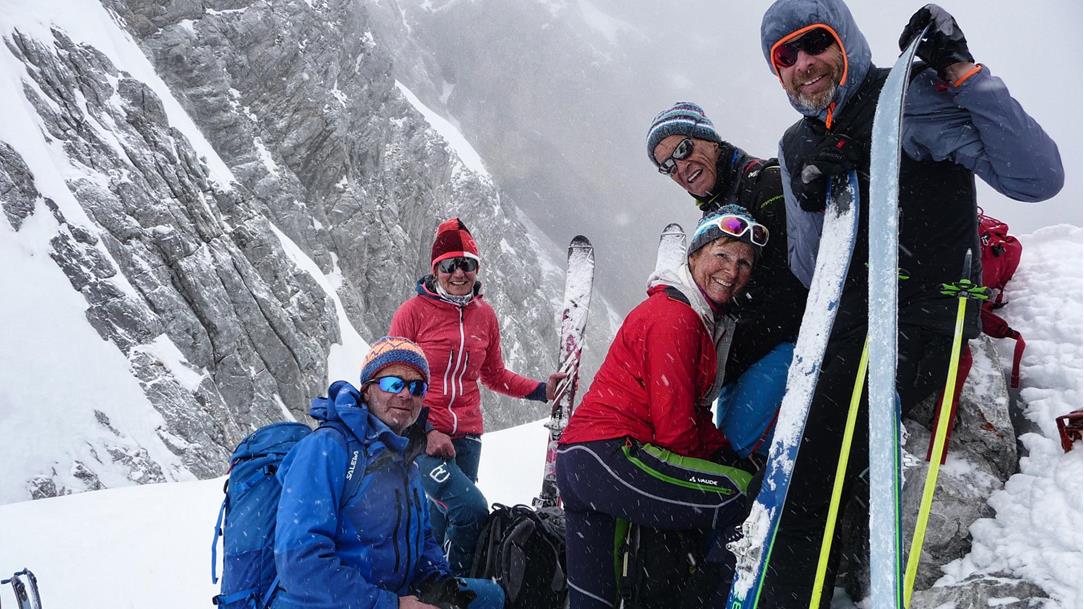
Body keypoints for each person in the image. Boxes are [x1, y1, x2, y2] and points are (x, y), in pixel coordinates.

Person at [757, 1, 1064, 606]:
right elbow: (810, 268)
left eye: (815, 43)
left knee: (809, 472)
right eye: (784, 56)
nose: (803, 64)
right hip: (848, 327)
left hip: (921, 317)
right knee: (788, 455)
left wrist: (962, 72)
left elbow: (1037, 178)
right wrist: (820, 197)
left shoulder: (907, 99)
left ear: (844, 41)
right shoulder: (796, 145)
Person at [555, 207, 771, 609]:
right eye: (722, 255)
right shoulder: (676, 318)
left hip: (580, 463)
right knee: (748, 500)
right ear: (694, 255)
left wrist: (721, 451)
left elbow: (691, 413)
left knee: (596, 598)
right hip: (614, 453)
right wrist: (734, 469)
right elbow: (676, 429)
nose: (732, 270)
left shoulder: (688, 315)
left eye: (744, 262)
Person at [272, 336, 504, 609]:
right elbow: (300, 564)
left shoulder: (406, 460)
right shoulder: (328, 448)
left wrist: (439, 585)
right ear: (366, 390)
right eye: (393, 383)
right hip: (333, 602)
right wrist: (391, 605)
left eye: (417, 387)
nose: (405, 394)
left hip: (392, 595)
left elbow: (422, 540)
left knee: (496, 597)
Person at [389, 217, 563, 576]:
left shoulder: (485, 316)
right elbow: (392, 380)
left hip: (467, 439)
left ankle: (430, 586)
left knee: (441, 524)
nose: (458, 273)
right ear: (435, 269)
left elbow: (494, 375)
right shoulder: (412, 313)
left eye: (466, 264)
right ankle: (455, 591)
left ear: (476, 268)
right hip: (422, 439)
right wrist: (425, 431)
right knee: (469, 509)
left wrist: (541, 391)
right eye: (449, 265)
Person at [646, 101, 809, 458]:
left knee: (735, 453)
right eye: (667, 166)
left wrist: (726, 355)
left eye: (683, 149)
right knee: (724, 450)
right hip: (746, 355)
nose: (680, 168)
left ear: (710, 139)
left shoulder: (765, 184)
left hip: (788, 345)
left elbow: (793, 288)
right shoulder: (718, 207)